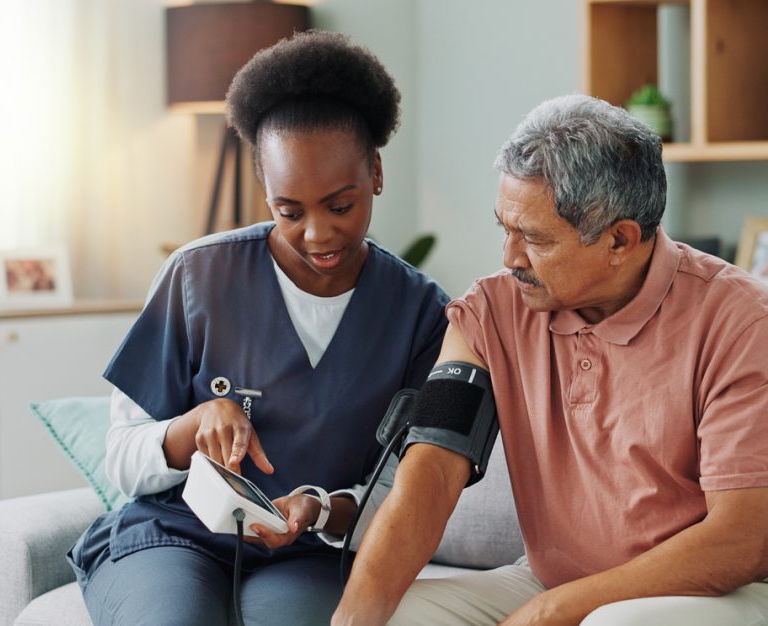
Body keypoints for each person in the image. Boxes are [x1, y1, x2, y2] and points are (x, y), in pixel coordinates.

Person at [332, 94, 768, 626]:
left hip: (720, 592)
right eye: (505, 229)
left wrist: (557, 610)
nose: (509, 257)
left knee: (610, 623)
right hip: (549, 580)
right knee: (396, 614)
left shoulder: (742, 323)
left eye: (534, 239)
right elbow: (430, 473)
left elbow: (741, 541)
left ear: (619, 240)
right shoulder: (491, 312)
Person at [67, 30, 449, 626]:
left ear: (375, 172)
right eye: (289, 211)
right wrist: (192, 426)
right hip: (175, 537)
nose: (317, 235)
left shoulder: (421, 313)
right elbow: (121, 457)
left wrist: (321, 511)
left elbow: (411, 490)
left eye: (340, 206)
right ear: (265, 190)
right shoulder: (197, 274)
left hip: (307, 555)